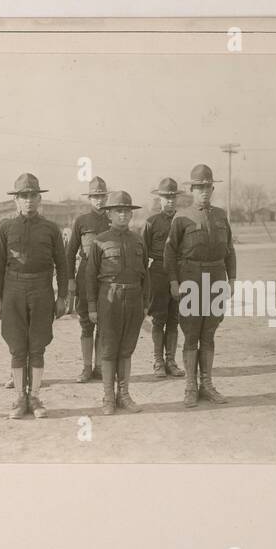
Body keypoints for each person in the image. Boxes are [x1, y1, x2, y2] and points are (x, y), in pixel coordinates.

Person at [0, 173, 68, 419]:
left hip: (42, 289)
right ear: (16, 200)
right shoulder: (6, 228)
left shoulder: (51, 229)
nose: (28, 201)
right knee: (17, 347)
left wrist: (62, 297)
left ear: (39, 198)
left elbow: (62, 265)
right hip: (13, 290)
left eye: (33, 196)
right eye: (23, 196)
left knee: (37, 346)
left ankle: (34, 397)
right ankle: (18, 399)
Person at [164, 164, 235, 408]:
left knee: (209, 333)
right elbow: (169, 252)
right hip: (190, 278)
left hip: (216, 277)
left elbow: (230, 250)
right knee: (191, 333)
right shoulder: (181, 217)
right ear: (191, 189)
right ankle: (190, 387)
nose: (204, 191)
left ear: (212, 188)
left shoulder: (221, 215)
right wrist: (174, 281)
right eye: (199, 187)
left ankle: (207, 384)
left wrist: (232, 279)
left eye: (207, 187)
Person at [85, 191, 150, 415]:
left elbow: (145, 275)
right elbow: (91, 275)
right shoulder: (100, 241)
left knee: (126, 349)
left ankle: (124, 395)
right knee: (108, 349)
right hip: (108, 298)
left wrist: (145, 303)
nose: (123, 215)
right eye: (118, 211)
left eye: (126, 211)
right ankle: (108, 397)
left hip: (133, 298)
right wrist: (92, 306)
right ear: (109, 214)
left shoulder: (138, 240)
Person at [66, 177, 110, 382]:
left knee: (104, 322)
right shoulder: (82, 221)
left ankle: (100, 366)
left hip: (108, 277)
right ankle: (86, 367)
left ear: (106, 196)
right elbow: (69, 253)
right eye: (95, 196)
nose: (99, 200)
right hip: (85, 275)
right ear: (90, 198)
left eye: (102, 196)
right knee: (86, 322)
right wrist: (70, 281)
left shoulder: (113, 220)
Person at [141, 178, 186, 378]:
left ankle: (171, 360)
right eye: (165, 197)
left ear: (177, 199)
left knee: (174, 319)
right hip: (158, 272)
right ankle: (158, 361)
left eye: (172, 197)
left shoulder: (183, 220)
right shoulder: (151, 222)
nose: (169, 201)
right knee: (159, 319)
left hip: (180, 272)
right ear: (159, 199)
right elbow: (142, 253)